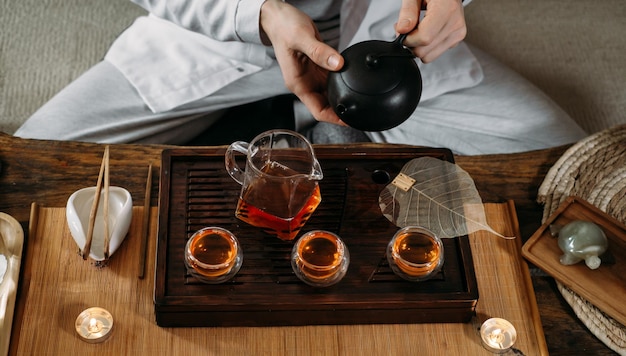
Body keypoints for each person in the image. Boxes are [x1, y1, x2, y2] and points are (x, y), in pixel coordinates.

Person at [14, 0, 587, 155]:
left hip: (384, 43)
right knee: (35, 156)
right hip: (222, 40)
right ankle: (285, 120)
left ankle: (320, 130)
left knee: (559, 152)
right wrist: (255, 15)